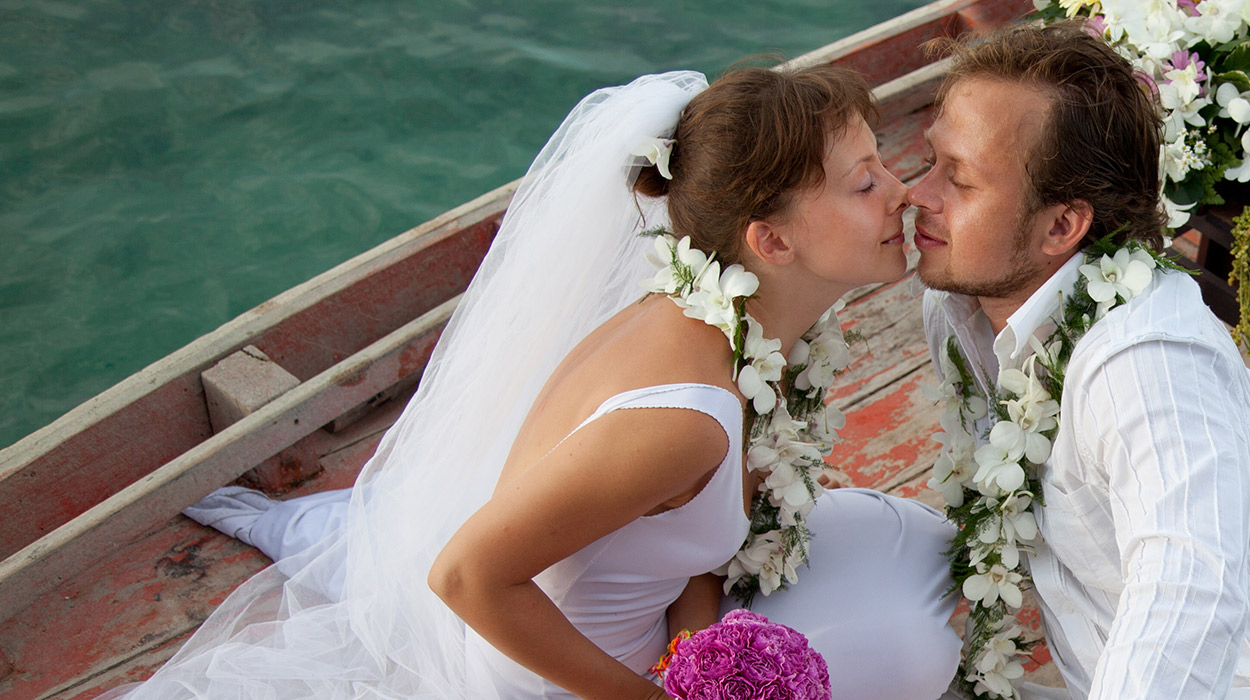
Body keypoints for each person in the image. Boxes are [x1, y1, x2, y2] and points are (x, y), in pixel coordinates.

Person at [133, 66, 960, 700]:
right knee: (919, 653)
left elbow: (692, 541)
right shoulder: (683, 417)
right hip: (566, 673)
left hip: (663, 617)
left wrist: (700, 647)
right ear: (770, 244)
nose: (904, 192)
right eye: (865, 183)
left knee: (923, 547)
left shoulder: (730, 325)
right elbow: (463, 577)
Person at [911, 23, 1250, 700]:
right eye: (929, 161)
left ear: (1061, 228)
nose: (917, 193)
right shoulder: (957, 311)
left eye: (958, 179)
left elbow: (1188, 594)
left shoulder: (1147, 363)